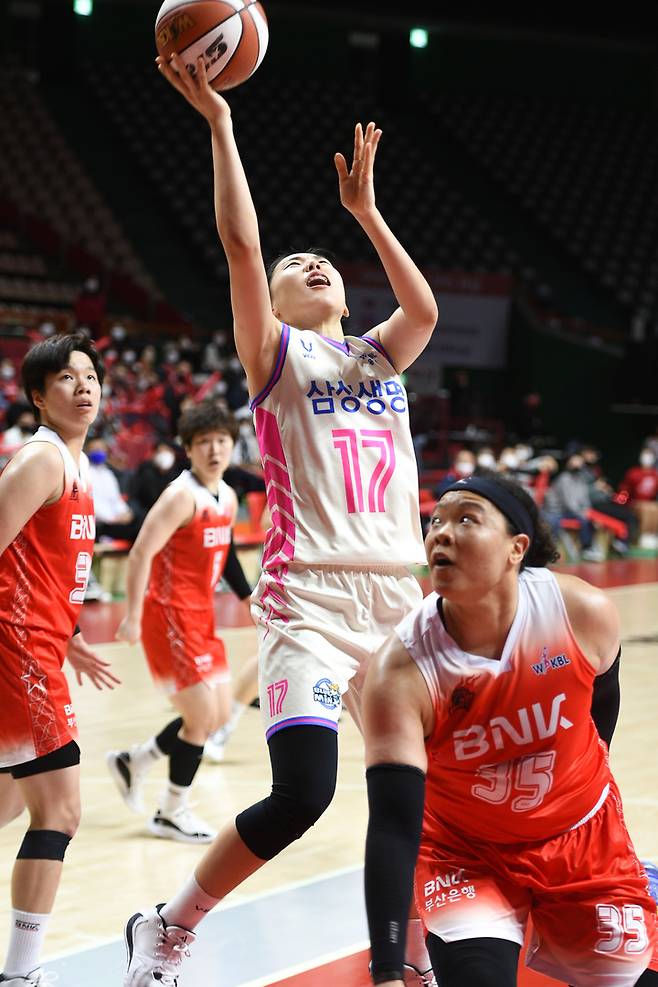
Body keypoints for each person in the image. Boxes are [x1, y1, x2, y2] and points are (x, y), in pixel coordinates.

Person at [121, 50, 439, 987]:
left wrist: (368, 217)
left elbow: (422, 305)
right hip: (306, 602)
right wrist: (223, 127)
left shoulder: (384, 356)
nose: (310, 264)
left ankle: (407, 956)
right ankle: (167, 924)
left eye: (325, 263)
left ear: (347, 292)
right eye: (299, 266)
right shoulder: (277, 356)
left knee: (418, 792)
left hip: (397, 606)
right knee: (302, 793)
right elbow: (244, 248)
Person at [362, 471, 658, 987]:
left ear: (516, 548)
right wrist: (387, 968)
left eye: (466, 519)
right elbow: (391, 825)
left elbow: (602, 697)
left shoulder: (579, 612)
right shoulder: (399, 671)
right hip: (464, 851)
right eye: (435, 522)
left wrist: (590, 773)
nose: (442, 533)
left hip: (579, 838)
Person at [0, 332, 120, 987]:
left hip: (38, 643)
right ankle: (21, 973)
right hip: (15, 650)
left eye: (91, 374)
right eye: (67, 378)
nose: (84, 385)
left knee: (8, 805)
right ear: (39, 396)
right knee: (60, 811)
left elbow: (32, 568)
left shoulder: (75, 466)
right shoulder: (41, 460)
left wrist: (68, 636)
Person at [107, 402, 247, 843]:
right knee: (203, 716)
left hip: (201, 613)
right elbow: (140, 552)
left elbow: (224, 555)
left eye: (221, 441)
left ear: (232, 444)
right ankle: (171, 811)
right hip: (167, 614)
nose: (214, 449)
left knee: (219, 713)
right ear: (188, 449)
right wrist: (131, 615)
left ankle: (137, 761)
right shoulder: (180, 496)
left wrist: (249, 597)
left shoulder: (227, 495)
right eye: (203, 442)